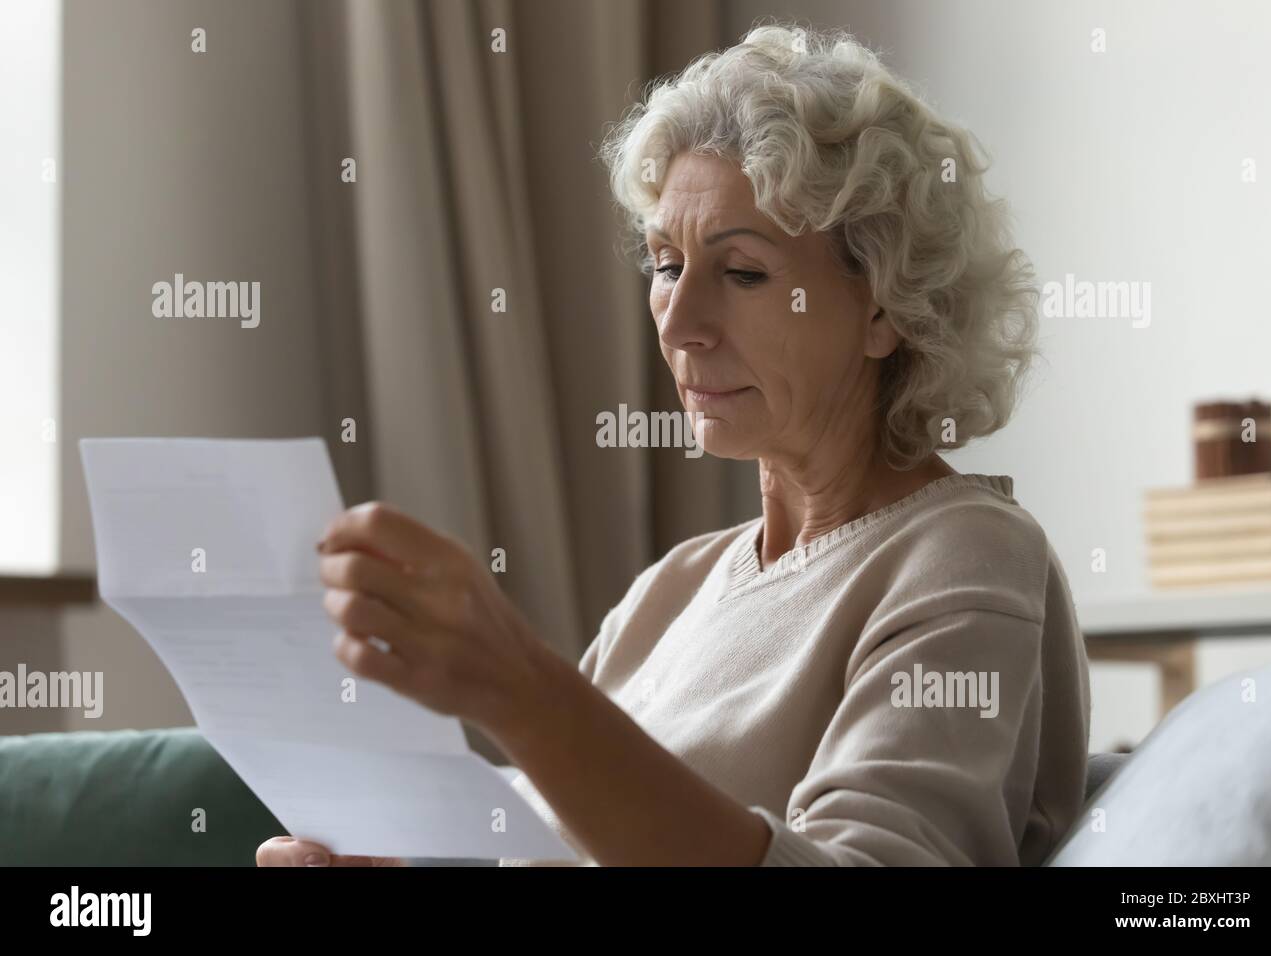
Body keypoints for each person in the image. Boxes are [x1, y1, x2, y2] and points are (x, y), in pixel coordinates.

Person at [257, 22, 1089, 868]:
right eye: (664, 264)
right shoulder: (672, 592)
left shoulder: (965, 558)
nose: (682, 325)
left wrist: (525, 687)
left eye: (742, 273)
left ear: (885, 307)